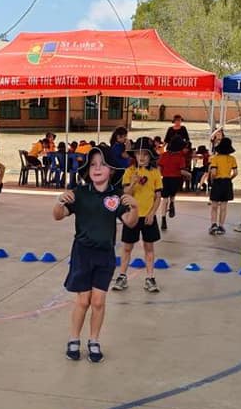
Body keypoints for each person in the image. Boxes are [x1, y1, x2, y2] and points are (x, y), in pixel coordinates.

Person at [53, 147, 138, 363]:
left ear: (111, 169)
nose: (97, 168)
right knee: (83, 300)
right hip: (82, 253)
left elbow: (129, 222)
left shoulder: (117, 196)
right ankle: (73, 338)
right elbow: (58, 216)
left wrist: (134, 207)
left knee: (98, 301)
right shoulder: (80, 193)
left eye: (102, 164)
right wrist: (59, 201)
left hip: (105, 255)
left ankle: (94, 340)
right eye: (93, 164)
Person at [112, 142, 163, 293]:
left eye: (145, 154)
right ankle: (122, 276)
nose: (142, 157)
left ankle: (150, 278)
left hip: (147, 217)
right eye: (139, 154)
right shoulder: (129, 171)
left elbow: (158, 196)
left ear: (150, 157)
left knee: (149, 248)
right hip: (132, 216)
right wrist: (133, 182)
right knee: (127, 247)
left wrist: (152, 213)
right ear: (134, 155)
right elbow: (126, 194)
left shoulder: (154, 173)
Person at [203, 136, 237, 235]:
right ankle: (221, 226)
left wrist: (213, 180)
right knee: (223, 206)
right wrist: (229, 178)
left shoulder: (215, 158)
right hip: (227, 183)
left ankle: (213, 225)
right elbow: (235, 172)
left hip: (218, 182)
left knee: (214, 206)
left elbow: (213, 172)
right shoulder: (232, 159)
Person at [157, 135, 191, 231]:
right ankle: (172, 202)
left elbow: (159, 168)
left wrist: (158, 177)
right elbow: (181, 171)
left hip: (165, 179)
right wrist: (189, 174)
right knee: (172, 194)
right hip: (176, 179)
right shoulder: (180, 157)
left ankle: (163, 218)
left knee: (164, 198)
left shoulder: (164, 155)